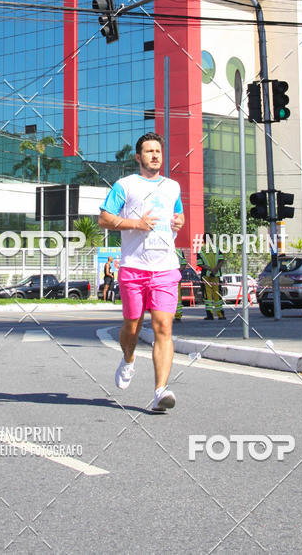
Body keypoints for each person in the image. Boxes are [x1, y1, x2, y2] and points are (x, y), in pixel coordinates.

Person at [99, 132, 185, 413]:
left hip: (165, 267)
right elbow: (104, 218)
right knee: (132, 326)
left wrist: (180, 221)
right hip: (134, 267)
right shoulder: (125, 185)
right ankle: (128, 358)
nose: (155, 155)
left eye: (158, 151)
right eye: (149, 151)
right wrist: (136, 224)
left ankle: (160, 391)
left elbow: (179, 215)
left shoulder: (173, 187)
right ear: (138, 157)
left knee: (163, 328)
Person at [197, 247, 225, 320]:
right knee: (217, 294)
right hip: (216, 275)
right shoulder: (217, 249)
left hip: (206, 276)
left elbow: (200, 264)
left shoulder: (201, 251)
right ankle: (220, 315)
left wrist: (210, 269)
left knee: (207, 295)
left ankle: (210, 314)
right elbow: (221, 260)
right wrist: (215, 270)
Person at [174, 249, 188, 321]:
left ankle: (177, 314)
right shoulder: (179, 252)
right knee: (177, 296)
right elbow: (184, 264)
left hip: (169, 277)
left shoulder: (163, 251)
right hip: (175, 276)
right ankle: (178, 314)